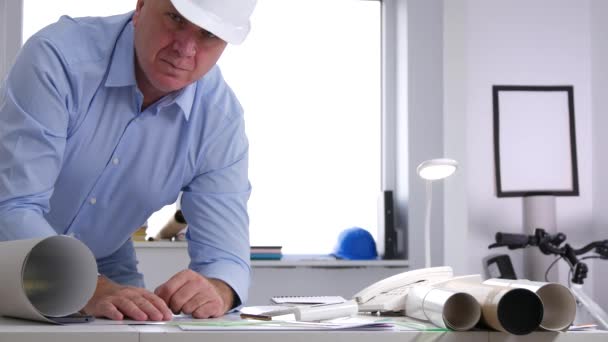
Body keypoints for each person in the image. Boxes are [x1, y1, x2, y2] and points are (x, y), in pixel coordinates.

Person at [0, 0, 256, 321]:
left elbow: (226, 258)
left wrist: (216, 289)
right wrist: (86, 286)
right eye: (176, 18)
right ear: (141, 6)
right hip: (7, 252)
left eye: (208, 35)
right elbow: (13, 206)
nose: (185, 49)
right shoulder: (58, 58)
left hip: (103, 264)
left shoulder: (219, 120)